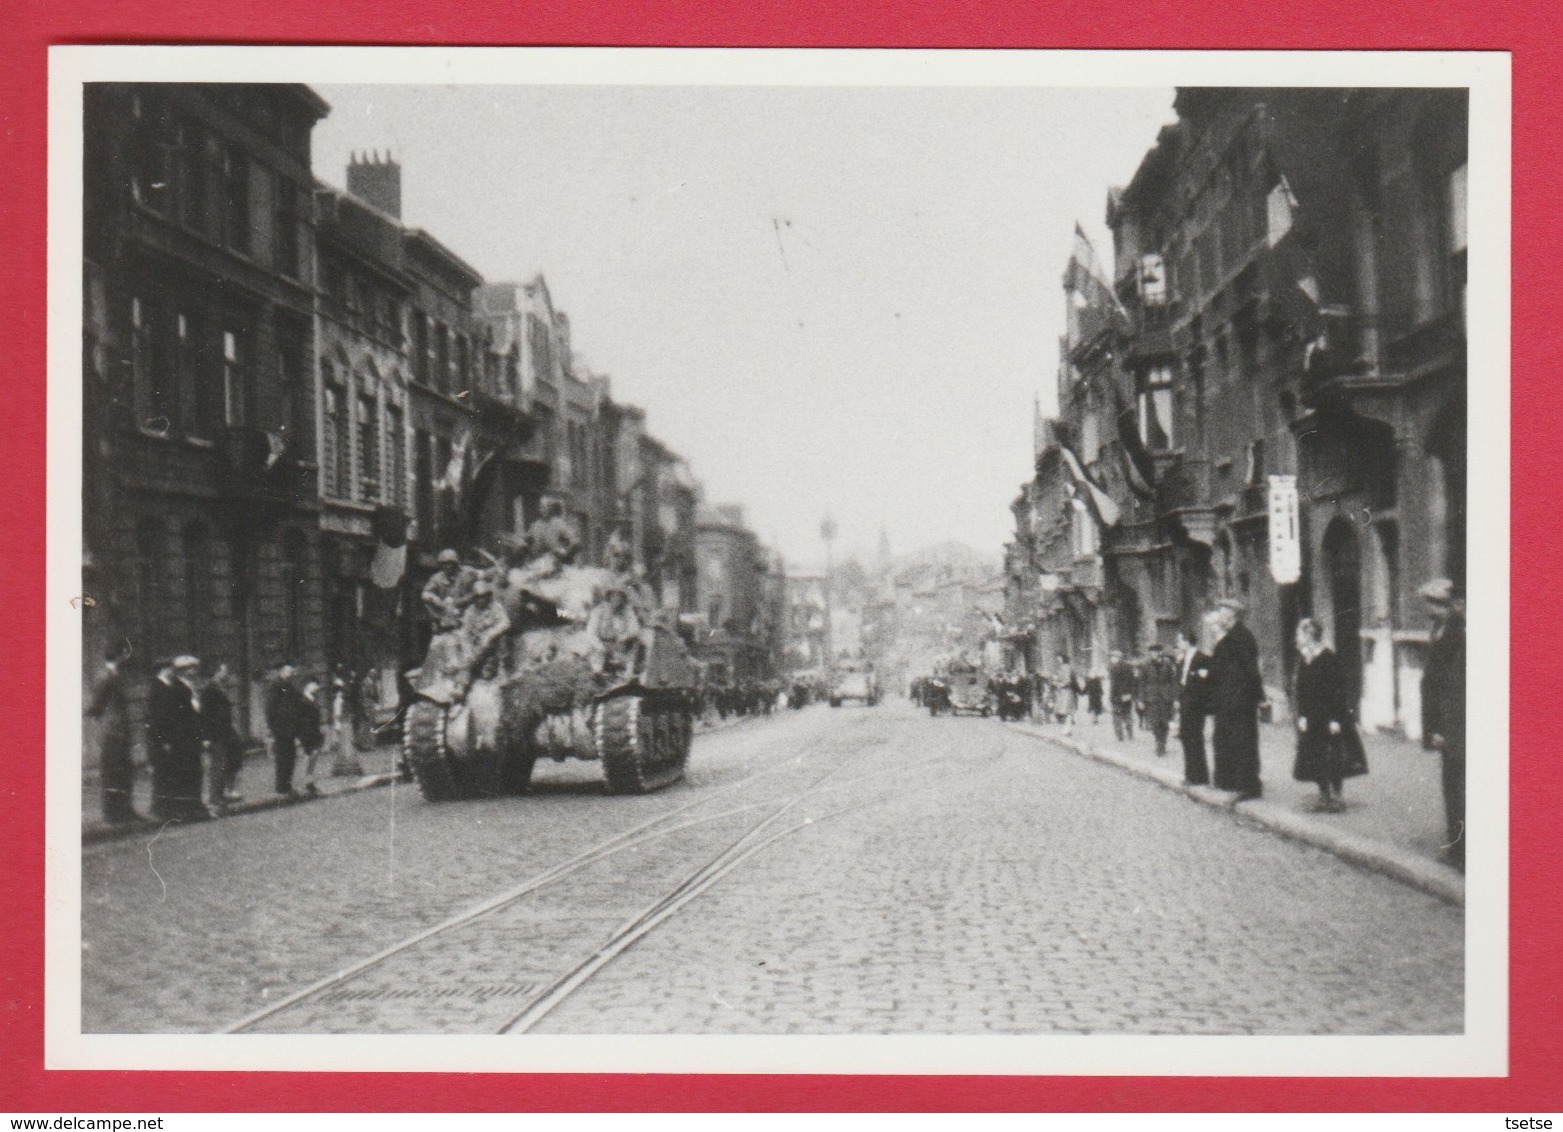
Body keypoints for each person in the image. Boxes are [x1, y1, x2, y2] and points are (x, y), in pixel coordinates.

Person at [1292, 616, 1368, 812]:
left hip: (1329, 715)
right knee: (1315, 755)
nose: (1297, 637)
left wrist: (1336, 719)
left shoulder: (1328, 657)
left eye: (1300, 633)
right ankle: (1323, 793)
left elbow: (1338, 690)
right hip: (1312, 717)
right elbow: (1300, 690)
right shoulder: (1304, 658)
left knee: (1334, 755)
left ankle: (1336, 795)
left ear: (1310, 635)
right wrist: (1301, 715)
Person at [1420, 578, 1466, 871]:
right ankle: (1456, 846)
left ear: (1441, 604)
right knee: (1451, 785)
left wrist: (1441, 728)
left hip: (1454, 721)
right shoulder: (1441, 629)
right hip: (1445, 720)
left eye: (1429, 603)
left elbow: (1451, 684)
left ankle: (1461, 852)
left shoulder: (1456, 632)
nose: (1426, 609)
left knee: (1457, 785)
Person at [1209, 599, 1265, 799]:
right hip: (1228, 701)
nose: (1219, 616)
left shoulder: (1242, 637)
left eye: (1222, 612)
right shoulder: (1229, 637)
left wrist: (1251, 697)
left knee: (1243, 742)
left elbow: (1250, 671)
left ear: (1232, 615)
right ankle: (1230, 781)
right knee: (1228, 741)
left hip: (1240, 702)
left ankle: (1248, 786)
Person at [146, 656, 207, 820]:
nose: (193, 672)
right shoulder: (168, 688)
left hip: (188, 736)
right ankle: (174, 807)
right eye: (188, 669)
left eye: (194, 669)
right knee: (172, 773)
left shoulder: (179, 686)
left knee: (190, 771)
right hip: (177, 738)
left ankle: (189, 805)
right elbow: (162, 717)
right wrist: (165, 739)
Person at [88, 642, 142, 823]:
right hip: (111, 732)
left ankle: (126, 810)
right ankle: (112, 814)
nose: (127, 658)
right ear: (119, 656)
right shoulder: (105, 677)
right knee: (113, 773)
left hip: (120, 730)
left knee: (124, 772)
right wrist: (104, 728)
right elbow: (96, 708)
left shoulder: (116, 676)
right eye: (125, 654)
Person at [202, 662, 245, 809]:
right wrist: (206, 737)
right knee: (218, 765)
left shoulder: (221, 688)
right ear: (217, 673)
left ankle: (225, 792)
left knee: (229, 761)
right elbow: (205, 715)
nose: (226, 674)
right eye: (224, 671)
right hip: (216, 733)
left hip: (226, 731)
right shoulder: (209, 690)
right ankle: (215, 797)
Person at [1177, 624, 1214, 786]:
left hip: (1196, 706)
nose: (1177, 644)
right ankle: (1190, 775)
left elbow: (1207, 683)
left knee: (1195, 739)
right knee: (1186, 738)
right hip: (1185, 704)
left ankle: (1200, 776)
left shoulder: (1202, 658)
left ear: (1186, 641)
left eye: (1179, 640)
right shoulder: (1183, 659)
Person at [266, 661, 305, 797]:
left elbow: (298, 699)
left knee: (290, 757)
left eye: (291, 671)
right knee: (282, 758)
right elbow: (270, 709)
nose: (291, 673)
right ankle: (282, 786)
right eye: (289, 671)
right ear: (282, 671)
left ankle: (287, 785)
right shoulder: (275, 686)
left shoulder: (289, 685)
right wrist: (273, 728)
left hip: (290, 728)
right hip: (281, 729)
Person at [1139, 642, 1179, 757]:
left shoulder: (1168, 664)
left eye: (1156, 652)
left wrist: (1175, 698)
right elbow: (1141, 683)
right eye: (1151, 652)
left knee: (1165, 722)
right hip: (1151, 698)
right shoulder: (1145, 665)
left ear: (1160, 652)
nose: (1153, 654)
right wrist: (1141, 700)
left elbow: (1173, 682)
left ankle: (1162, 743)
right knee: (1155, 722)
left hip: (1166, 698)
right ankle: (1158, 742)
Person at [422, 549, 476, 632]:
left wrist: (464, 600)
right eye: (444, 564)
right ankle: (438, 622)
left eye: (450, 563)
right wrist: (437, 601)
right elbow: (425, 594)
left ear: (456, 564)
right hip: (445, 611)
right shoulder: (437, 578)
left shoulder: (467, 573)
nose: (448, 566)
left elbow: (482, 581)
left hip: (466, 611)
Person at [1108, 651, 1137, 742]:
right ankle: (1130, 734)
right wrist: (1130, 693)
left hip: (1117, 695)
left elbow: (1114, 685)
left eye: (1113, 657)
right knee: (1127, 714)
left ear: (1118, 658)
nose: (1111, 659)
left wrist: (1112, 696)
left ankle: (1120, 736)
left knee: (1117, 715)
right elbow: (1133, 681)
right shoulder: (1129, 667)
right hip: (1126, 695)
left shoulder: (1114, 668)